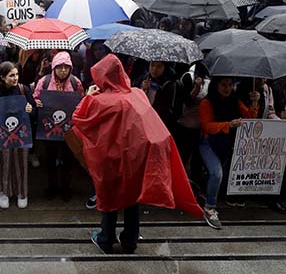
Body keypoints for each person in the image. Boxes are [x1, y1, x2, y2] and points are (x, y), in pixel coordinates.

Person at [72, 54, 202, 254]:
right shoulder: (137, 94)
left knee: (109, 198)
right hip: (136, 159)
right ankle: (130, 241)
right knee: (132, 199)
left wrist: (89, 95)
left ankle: (106, 239)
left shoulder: (101, 102)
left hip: (110, 161)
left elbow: (79, 118)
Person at [198, 77, 260, 229]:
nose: (227, 88)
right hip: (208, 143)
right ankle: (210, 207)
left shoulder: (234, 100)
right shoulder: (206, 103)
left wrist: (254, 102)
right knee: (217, 173)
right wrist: (229, 124)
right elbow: (207, 127)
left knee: (222, 172)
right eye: (223, 85)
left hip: (226, 143)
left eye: (230, 85)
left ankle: (210, 193)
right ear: (216, 86)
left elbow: (250, 117)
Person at [33, 51, 84, 201]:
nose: (63, 70)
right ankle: (52, 186)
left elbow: (81, 102)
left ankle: (66, 188)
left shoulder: (76, 83)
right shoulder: (44, 81)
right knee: (51, 159)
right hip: (49, 130)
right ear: (54, 67)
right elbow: (35, 97)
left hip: (69, 130)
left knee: (68, 160)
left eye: (66, 67)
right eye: (59, 67)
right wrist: (37, 103)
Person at [0, 62, 36, 209]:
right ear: (2, 77)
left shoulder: (23, 90)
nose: (15, 78)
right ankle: (4, 192)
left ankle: (22, 193)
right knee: (4, 164)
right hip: (2, 136)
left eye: (17, 75)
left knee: (21, 164)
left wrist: (30, 109)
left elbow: (34, 113)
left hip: (22, 134)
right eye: (11, 75)